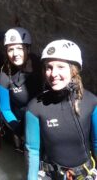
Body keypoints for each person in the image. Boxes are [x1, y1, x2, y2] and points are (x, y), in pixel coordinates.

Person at [25, 39, 97, 180]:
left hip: (85, 174)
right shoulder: (35, 108)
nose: (53, 74)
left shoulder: (91, 102)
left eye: (60, 67)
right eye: (49, 67)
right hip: (51, 175)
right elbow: (32, 151)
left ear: (73, 70)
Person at [0, 27, 42, 152]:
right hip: (21, 125)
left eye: (19, 48)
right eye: (10, 49)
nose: (15, 54)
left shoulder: (39, 65)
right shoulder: (4, 77)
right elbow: (5, 109)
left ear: (28, 49)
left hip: (45, 122)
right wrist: (20, 130)